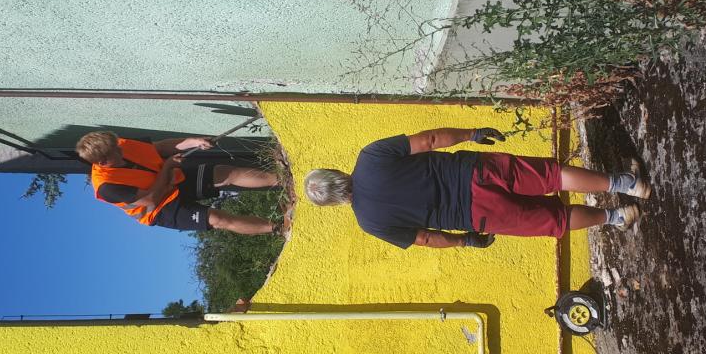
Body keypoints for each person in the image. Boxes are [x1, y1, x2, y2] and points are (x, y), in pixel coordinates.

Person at [303, 126, 648, 249]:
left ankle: (617, 216)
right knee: (552, 176)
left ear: (334, 202)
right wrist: (471, 133)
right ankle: (627, 183)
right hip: (476, 172)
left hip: (476, 214)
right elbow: (429, 140)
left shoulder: (370, 222)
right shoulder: (371, 157)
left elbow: (424, 238)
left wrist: (464, 240)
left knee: (553, 221)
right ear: (336, 173)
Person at [76, 130, 281, 235]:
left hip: (173, 179)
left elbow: (161, 147)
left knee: (224, 173)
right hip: (160, 209)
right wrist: (167, 167)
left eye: (117, 144)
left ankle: (282, 180)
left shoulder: (119, 144)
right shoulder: (106, 187)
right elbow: (151, 200)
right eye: (116, 151)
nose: (121, 148)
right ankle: (279, 228)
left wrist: (194, 142)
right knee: (217, 219)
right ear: (102, 162)